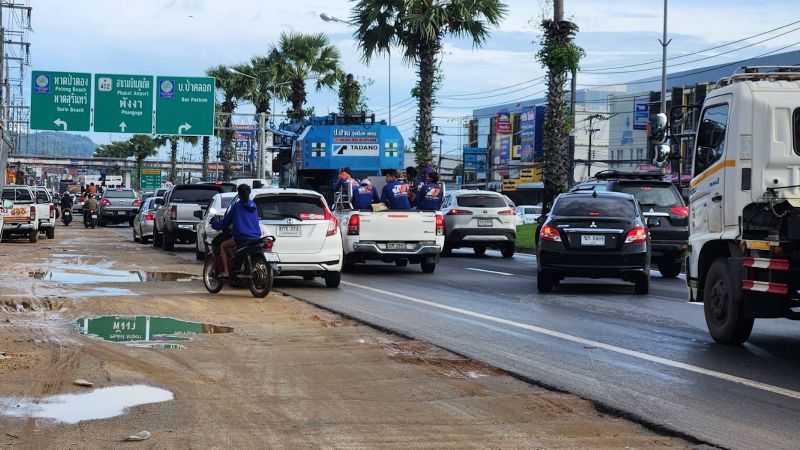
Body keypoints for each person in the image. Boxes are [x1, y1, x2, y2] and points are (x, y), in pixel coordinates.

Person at [211, 184, 261, 278]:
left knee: (223, 245)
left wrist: (214, 223)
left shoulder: (237, 207)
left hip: (241, 237)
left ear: (239, 194)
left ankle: (226, 271)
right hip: (256, 237)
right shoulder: (254, 206)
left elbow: (223, 224)